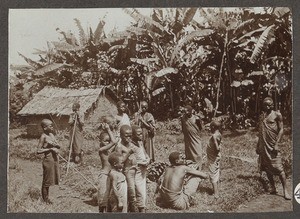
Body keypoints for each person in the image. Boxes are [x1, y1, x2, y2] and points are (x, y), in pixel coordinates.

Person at [256, 97, 291, 200]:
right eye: (265, 105)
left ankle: (285, 190)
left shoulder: (277, 115)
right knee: (267, 167)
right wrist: (258, 145)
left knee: (279, 168)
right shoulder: (262, 116)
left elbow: (281, 130)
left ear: (272, 105)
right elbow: (260, 132)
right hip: (264, 146)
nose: (267, 106)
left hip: (272, 145)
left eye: (268, 105)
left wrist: (276, 144)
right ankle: (273, 188)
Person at [114, 125, 138, 212]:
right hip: (127, 171)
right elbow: (120, 162)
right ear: (121, 135)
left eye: (130, 135)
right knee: (131, 190)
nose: (129, 138)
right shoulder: (119, 147)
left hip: (134, 170)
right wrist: (129, 153)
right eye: (126, 135)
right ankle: (133, 209)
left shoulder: (131, 144)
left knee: (135, 189)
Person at [37, 119, 60, 204]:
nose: (52, 127)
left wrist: (56, 145)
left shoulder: (51, 135)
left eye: (52, 125)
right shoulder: (43, 136)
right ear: (45, 128)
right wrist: (50, 148)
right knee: (46, 181)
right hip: (48, 161)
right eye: (50, 126)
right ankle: (45, 200)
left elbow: (58, 146)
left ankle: (47, 199)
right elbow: (38, 151)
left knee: (50, 180)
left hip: (54, 160)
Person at [98, 123, 118, 213]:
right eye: (106, 141)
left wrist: (111, 130)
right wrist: (109, 129)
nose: (108, 143)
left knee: (111, 199)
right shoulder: (101, 150)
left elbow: (114, 141)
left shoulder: (110, 151)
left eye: (108, 141)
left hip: (111, 175)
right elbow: (114, 142)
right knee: (103, 199)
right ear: (100, 141)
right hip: (104, 175)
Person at [131, 125, 150, 212]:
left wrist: (147, 158)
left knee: (143, 188)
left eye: (141, 134)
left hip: (143, 169)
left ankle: (143, 207)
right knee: (138, 189)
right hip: (137, 170)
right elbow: (131, 160)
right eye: (138, 134)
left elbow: (145, 153)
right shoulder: (131, 146)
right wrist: (141, 162)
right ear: (133, 135)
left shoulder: (140, 143)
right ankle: (140, 208)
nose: (141, 136)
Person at [181, 105, 203, 169]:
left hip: (195, 137)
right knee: (188, 152)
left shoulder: (196, 119)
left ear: (191, 111)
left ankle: (199, 167)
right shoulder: (183, 118)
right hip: (188, 138)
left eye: (188, 111)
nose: (186, 112)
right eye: (185, 111)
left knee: (198, 152)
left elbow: (200, 128)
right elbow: (183, 127)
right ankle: (190, 166)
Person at [206, 120, 222, 198]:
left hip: (213, 158)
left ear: (213, 127)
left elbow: (217, 148)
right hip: (216, 157)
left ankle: (216, 193)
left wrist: (216, 150)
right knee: (216, 173)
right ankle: (217, 190)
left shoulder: (214, 136)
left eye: (210, 127)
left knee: (212, 175)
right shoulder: (219, 134)